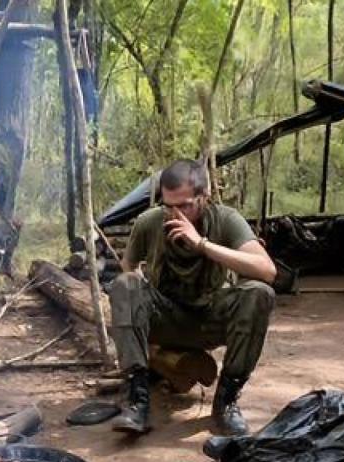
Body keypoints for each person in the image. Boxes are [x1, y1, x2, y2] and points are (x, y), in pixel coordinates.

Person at [109, 159, 277, 438]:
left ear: (204, 198)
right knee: (125, 285)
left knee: (260, 294)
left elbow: (267, 271)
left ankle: (226, 403)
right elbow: (129, 266)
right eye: (168, 205)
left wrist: (201, 243)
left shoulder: (225, 219)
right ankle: (137, 401)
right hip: (165, 319)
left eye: (185, 205)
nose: (176, 214)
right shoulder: (150, 222)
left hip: (210, 318)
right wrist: (138, 320)